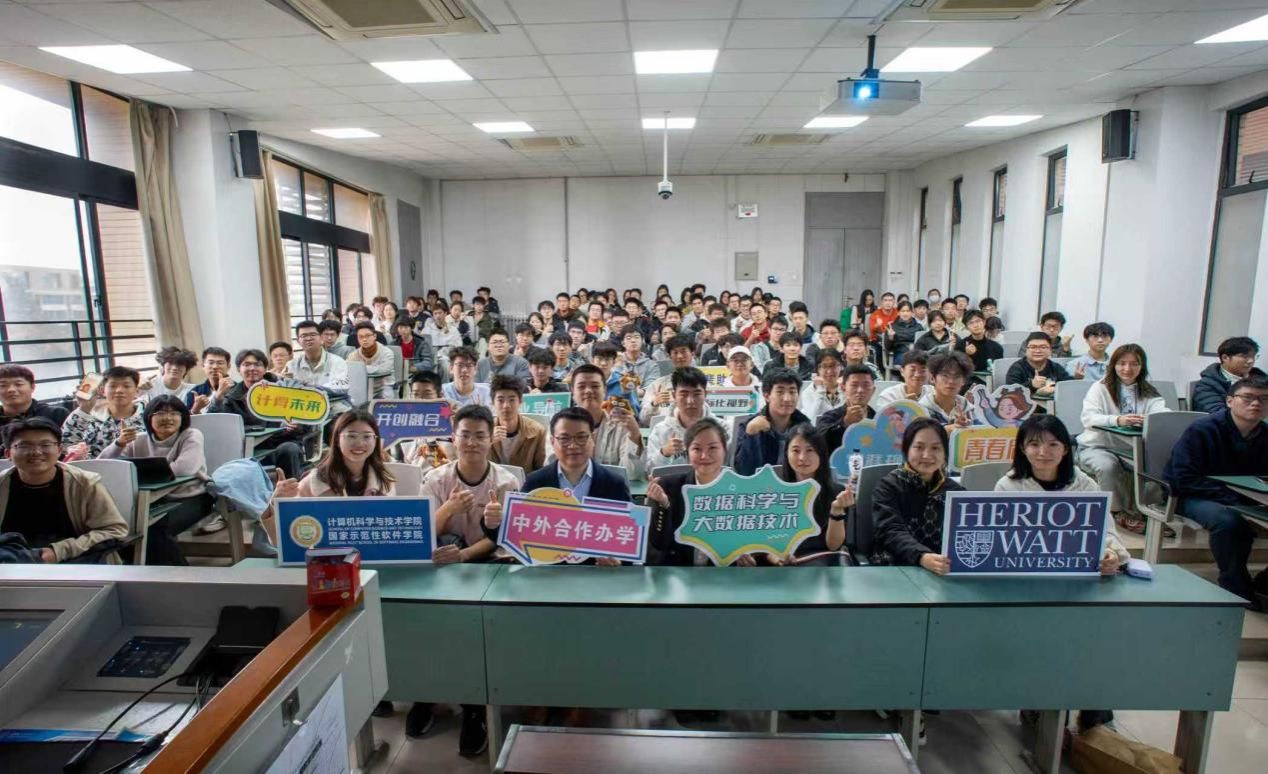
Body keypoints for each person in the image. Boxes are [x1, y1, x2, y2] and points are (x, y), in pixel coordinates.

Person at [1164, 375, 1268, 605]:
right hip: (1194, 495)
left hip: (1247, 498)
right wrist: (1233, 499)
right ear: (1230, 401)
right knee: (1229, 522)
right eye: (1248, 397)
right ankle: (1235, 585)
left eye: (1264, 399)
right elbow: (1183, 477)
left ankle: (1264, 582)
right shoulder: (1202, 429)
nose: (1256, 403)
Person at [995, 413, 1128, 576]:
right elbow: (998, 538)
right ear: (1023, 448)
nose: (1043, 452)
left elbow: (1106, 530)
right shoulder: (1006, 486)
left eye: (1053, 444)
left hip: (1074, 573)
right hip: (1022, 572)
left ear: (1065, 449)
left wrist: (1110, 554)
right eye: (1034, 444)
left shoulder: (1085, 485)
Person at [99, 396, 211, 565]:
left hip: (191, 497)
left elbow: (185, 469)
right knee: (124, 529)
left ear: (183, 417)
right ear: (148, 418)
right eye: (160, 413)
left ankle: (179, 575)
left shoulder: (191, 435)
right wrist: (119, 444)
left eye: (174, 413)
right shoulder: (139, 439)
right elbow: (104, 465)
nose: (167, 418)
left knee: (152, 530)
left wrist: (142, 475)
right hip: (149, 501)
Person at [0, 417, 128, 563]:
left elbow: (114, 530)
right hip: (13, 564)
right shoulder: (2, 484)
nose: (36, 452)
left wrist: (58, 552)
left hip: (76, 562)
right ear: (8, 454)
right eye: (24, 446)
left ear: (59, 450)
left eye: (46, 445)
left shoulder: (84, 484)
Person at [1076, 344, 1169, 536]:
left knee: (1155, 468)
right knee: (1107, 466)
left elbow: (1163, 413)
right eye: (1122, 363)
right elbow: (1089, 418)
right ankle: (1117, 512)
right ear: (1113, 365)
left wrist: (1150, 419)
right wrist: (1117, 420)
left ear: (1142, 367)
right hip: (1097, 446)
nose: (1128, 369)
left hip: (1132, 449)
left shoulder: (1148, 391)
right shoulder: (1100, 388)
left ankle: (1148, 512)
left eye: (1134, 364)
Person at [645, 418, 753, 568]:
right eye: (697, 449)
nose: (704, 456)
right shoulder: (667, 487)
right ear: (688, 452)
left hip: (721, 576)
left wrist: (745, 559)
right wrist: (663, 504)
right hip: (678, 575)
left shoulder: (741, 493)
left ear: (724, 451)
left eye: (712, 448)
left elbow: (749, 544)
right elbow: (658, 544)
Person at [870, 418, 963, 572]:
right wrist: (921, 556)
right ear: (907, 450)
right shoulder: (888, 486)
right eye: (919, 447)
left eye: (935, 448)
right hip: (895, 567)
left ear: (945, 453)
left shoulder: (956, 492)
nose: (927, 455)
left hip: (943, 568)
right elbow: (890, 531)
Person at [209, 349, 309, 480]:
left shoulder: (282, 389)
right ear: (238, 369)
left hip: (280, 443)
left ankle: (291, 490)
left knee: (289, 449)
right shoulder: (231, 396)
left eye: (257, 364)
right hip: (247, 447)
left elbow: (304, 424)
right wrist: (218, 397)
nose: (252, 368)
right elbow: (219, 425)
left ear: (265, 368)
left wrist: (293, 426)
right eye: (246, 364)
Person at [779, 423, 853, 564]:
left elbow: (833, 546)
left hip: (821, 565)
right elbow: (765, 542)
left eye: (810, 450)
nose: (802, 457)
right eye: (796, 450)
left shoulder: (837, 493)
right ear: (786, 453)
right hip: (781, 567)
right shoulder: (774, 492)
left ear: (821, 454)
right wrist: (775, 557)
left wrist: (836, 510)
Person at [562, 365, 644, 479]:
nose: (588, 391)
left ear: (605, 390)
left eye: (595, 386)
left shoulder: (621, 424)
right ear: (572, 391)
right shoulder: (561, 425)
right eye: (581, 386)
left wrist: (634, 434)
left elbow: (632, 475)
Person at [645, 367, 728, 471]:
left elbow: (730, 467)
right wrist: (664, 453)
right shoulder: (661, 430)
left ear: (705, 394)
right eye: (683, 394)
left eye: (697, 394)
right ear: (674, 395)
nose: (690, 401)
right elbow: (649, 470)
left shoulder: (723, 428)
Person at [61, 365, 148, 458]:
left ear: (137, 391)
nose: (119, 390)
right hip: (95, 466)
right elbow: (65, 445)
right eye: (113, 386)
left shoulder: (148, 417)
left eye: (126, 386)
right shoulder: (86, 417)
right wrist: (84, 409)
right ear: (102, 391)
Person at [736, 368, 810, 475]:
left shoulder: (805, 426)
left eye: (792, 392)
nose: (787, 398)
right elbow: (745, 472)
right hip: (761, 484)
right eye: (780, 392)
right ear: (767, 396)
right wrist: (751, 436)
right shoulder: (750, 426)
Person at [0, 365, 69, 455]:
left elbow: (70, 448)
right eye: (3, 385)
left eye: (18, 384)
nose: (11, 390)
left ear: (32, 387)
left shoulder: (56, 414)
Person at [289, 320, 352, 415]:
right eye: (304, 336)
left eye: (313, 334)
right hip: (302, 408)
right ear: (298, 341)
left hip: (332, 406)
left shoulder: (337, 361)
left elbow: (342, 386)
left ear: (321, 338)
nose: (308, 338)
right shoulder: (292, 365)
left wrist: (315, 388)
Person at [488, 376, 546, 475]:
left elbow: (541, 469)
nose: (506, 406)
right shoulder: (484, 431)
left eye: (512, 400)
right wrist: (487, 442)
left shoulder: (537, 431)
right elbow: (475, 465)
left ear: (520, 401)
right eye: (500, 400)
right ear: (493, 403)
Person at [815, 364, 877, 453]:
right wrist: (844, 423)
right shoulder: (828, 417)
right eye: (854, 385)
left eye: (866, 385)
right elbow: (819, 444)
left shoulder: (879, 420)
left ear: (873, 390)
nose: (860, 390)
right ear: (843, 388)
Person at [1193, 336, 1263, 414]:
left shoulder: (1261, 379)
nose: (1251, 361)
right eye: (1244, 356)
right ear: (1225, 358)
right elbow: (1218, 413)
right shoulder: (1208, 385)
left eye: (1253, 356)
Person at [641, 335, 696, 425]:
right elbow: (643, 420)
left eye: (683, 351)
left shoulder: (703, 384)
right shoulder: (657, 385)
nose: (679, 356)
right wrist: (654, 403)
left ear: (693, 354)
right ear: (669, 356)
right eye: (675, 352)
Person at [1007, 332, 1073, 400]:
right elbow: (1009, 393)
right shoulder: (1017, 368)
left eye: (1043, 347)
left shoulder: (1055, 367)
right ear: (1026, 350)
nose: (1038, 351)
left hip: (1053, 405)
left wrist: (1056, 389)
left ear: (1050, 350)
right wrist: (1031, 385)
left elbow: (1070, 386)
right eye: (1033, 347)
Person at [920, 352, 974, 428]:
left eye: (957, 376)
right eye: (945, 375)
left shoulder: (967, 408)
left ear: (963, 381)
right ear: (932, 378)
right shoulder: (922, 409)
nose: (951, 381)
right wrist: (949, 429)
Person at [347, 321, 398, 400]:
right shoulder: (353, 355)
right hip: (362, 387)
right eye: (360, 337)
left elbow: (384, 369)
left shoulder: (387, 352)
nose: (364, 339)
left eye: (367, 336)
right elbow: (348, 370)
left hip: (383, 387)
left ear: (374, 336)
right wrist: (371, 368)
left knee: (387, 395)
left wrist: (361, 368)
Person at [798, 348, 845, 422]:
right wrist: (820, 390)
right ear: (818, 369)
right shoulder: (809, 392)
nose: (829, 371)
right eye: (824, 366)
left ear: (841, 366)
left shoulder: (847, 388)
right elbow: (810, 419)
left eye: (833, 365)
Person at [186, 347, 234, 415]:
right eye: (211, 363)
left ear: (228, 366)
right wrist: (194, 410)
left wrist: (219, 395)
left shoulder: (238, 390)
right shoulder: (195, 392)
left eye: (220, 363)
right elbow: (185, 419)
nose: (215, 367)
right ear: (203, 366)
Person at [954, 310, 1003, 375]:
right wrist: (967, 355)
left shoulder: (996, 347)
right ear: (966, 327)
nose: (975, 325)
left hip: (989, 379)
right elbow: (957, 370)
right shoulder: (960, 345)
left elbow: (998, 372)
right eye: (971, 323)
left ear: (984, 322)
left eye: (978, 321)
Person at [612, 328, 659, 395]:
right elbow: (612, 385)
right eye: (628, 338)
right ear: (623, 343)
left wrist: (638, 392)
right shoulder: (615, 361)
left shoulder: (651, 364)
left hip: (644, 399)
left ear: (642, 341)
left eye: (637, 337)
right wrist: (618, 366)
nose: (633, 340)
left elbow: (651, 387)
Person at [883, 301, 923, 366]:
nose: (905, 313)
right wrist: (891, 338)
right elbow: (887, 347)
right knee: (909, 361)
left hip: (915, 353)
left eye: (908, 311)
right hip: (899, 354)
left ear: (912, 312)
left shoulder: (918, 327)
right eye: (903, 311)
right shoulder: (892, 327)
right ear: (898, 313)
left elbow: (923, 344)